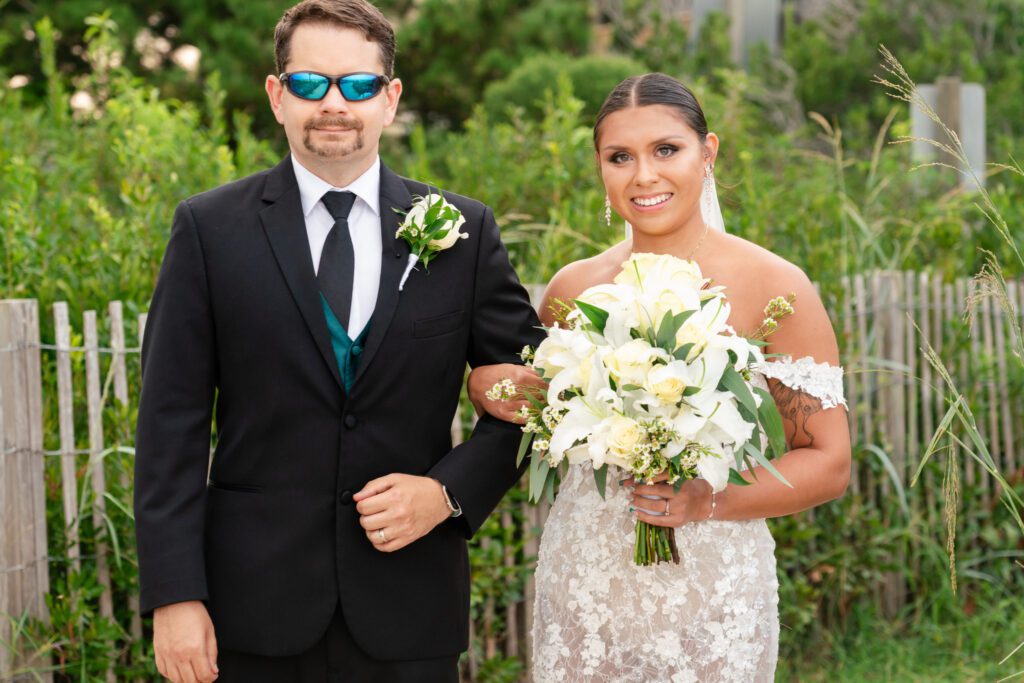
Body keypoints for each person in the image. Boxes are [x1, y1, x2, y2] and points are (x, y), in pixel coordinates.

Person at [134, 1, 541, 681]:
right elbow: (168, 424)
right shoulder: (208, 230)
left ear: (389, 99)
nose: (333, 103)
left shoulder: (463, 232)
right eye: (309, 83)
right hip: (251, 609)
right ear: (276, 94)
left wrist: (447, 492)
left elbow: (538, 400)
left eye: (356, 85)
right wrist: (175, 594)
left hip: (409, 605)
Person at [468, 73, 852, 681]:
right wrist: (489, 387)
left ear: (709, 153)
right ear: (600, 169)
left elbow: (829, 462)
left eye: (665, 150)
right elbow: (539, 416)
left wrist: (710, 499)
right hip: (586, 589)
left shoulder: (775, 285)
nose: (643, 175)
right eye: (620, 157)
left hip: (713, 593)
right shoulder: (573, 290)